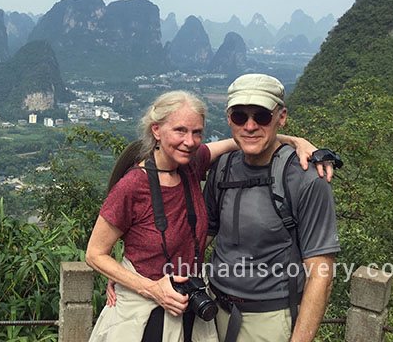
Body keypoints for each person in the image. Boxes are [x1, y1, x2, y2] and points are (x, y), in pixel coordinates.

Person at [86, 90, 332, 342]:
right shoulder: (132, 186)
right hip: (144, 313)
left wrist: (297, 141)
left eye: (197, 133)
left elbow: (247, 138)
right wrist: (140, 284)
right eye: (180, 130)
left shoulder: (192, 163)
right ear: (156, 130)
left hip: (191, 307)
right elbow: (94, 254)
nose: (190, 141)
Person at [204, 74, 340, 342]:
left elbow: (321, 275)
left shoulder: (306, 179)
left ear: (281, 116)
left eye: (262, 116)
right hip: (211, 311)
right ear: (229, 119)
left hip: (269, 319)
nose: (250, 125)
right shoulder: (222, 168)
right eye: (240, 116)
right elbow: (201, 235)